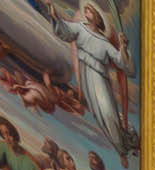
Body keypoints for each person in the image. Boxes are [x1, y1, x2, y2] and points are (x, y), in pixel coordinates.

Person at [54, 4, 136, 161]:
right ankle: (120, 147)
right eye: (86, 9)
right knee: (99, 115)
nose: (86, 11)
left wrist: (124, 48)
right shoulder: (80, 28)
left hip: (100, 81)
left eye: (90, 10)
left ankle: (122, 148)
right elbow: (65, 30)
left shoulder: (104, 43)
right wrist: (53, 16)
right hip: (87, 79)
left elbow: (123, 64)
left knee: (108, 113)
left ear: (98, 17)